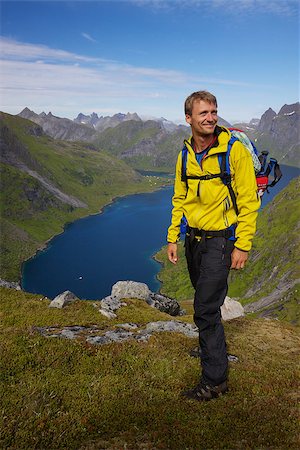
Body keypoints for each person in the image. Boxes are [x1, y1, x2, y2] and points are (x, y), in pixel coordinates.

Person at [167, 91, 260, 401]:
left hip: (220, 241)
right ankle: (212, 348)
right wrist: (173, 237)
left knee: (205, 309)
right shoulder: (184, 155)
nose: (210, 117)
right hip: (193, 239)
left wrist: (242, 245)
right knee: (204, 303)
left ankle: (215, 381)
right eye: (203, 112)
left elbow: (248, 202)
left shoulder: (234, 152)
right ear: (189, 118)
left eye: (214, 111)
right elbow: (180, 198)